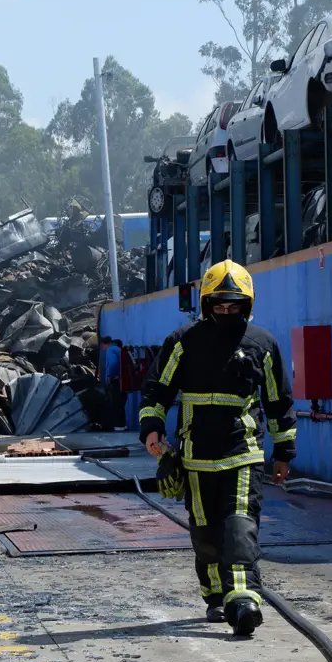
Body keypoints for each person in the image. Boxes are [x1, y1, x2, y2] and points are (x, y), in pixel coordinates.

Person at [138, 260, 297, 637]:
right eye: (219, 307)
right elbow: (157, 389)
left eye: (234, 306)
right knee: (205, 533)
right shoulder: (182, 342)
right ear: (206, 305)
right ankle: (215, 595)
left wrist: (284, 452)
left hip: (243, 453)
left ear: (247, 305)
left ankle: (243, 599)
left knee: (239, 523)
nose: (227, 313)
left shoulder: (262, 345)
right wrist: (152, 427)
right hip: (194, 457)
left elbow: (279, 402)